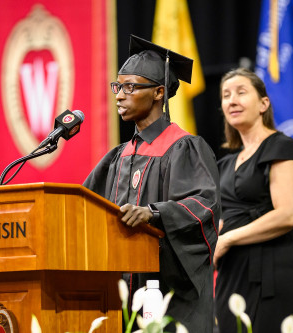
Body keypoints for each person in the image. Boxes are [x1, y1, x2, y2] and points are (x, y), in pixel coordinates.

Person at [83, 35, 220, 332]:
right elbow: (81, 207)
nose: (119, 95)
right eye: (117, 86)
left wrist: (154, 213)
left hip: (171, 299)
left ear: (159, 92)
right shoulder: (117, 157)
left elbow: (204, 206)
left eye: (130, 87)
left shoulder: (185, 148)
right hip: (119, 300)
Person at [214, 68, 293, 332]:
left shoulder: (281, 148)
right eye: (226, 95)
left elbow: (289, 214)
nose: (232, 100)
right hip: (231, 276)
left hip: (271, 273)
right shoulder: (224, 164)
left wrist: (228, 239)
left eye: (241, 92)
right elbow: (222, 220)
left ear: (263, 103)